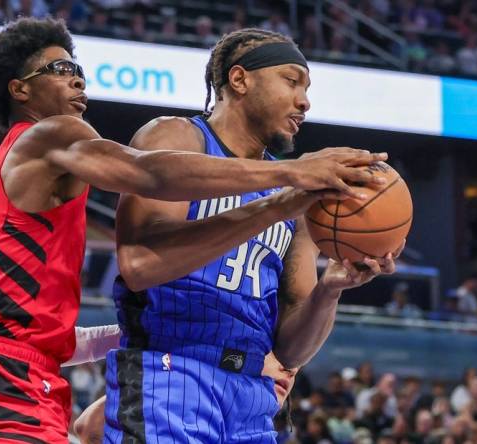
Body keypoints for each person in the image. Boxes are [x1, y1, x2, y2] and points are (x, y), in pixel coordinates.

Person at [0, 18, 383, 443]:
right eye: (62, 69)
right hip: (7, 377)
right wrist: (289, 177)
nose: (79, 80)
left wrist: (133, 338)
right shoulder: (49, 135)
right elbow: (145, 174)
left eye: (79, 69)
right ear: (20, 88)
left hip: (39, 374)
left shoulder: (28, 179)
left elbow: (31, 329)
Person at [105, 28, 400, 443]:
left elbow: (291, 349)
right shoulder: (178, 138)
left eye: (308, 88)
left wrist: (331, 290)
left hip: (251, 396)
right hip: (168, 374)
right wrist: (278, 201)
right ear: (239, 80)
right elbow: (141, 265)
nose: (305, 101)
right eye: (292, 81)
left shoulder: (294, 198)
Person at [73, 352, 298, 444]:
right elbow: (88, 428)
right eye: (280, 354)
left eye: (299, 362)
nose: (291, 368)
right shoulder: (186, 397)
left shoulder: (259, 429)